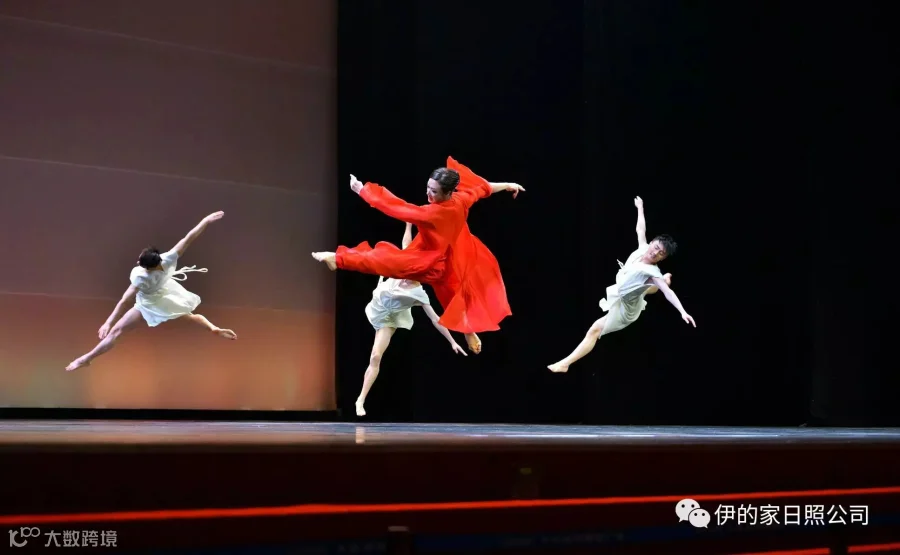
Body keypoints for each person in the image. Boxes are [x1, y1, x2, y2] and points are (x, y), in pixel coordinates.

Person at [312, 156, 524, 354]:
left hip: (433, 260)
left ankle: (337, 259)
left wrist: (363, 190)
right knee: (430, 283)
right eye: (428, 188)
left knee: (402, 269)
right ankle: (337, 259)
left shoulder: (433, 213)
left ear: (448, 193)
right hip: (444, 253)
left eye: (434, 191)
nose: (428, 194)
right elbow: (484, 188)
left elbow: (396, 208)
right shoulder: (461, 198)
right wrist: (508, 185)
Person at [65, 211, 236, 372]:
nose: (137, 262)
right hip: (166, 297)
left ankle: (86, 358)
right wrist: (205, 221)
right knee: (190, 316)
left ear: (147, 267)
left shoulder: (141, 277)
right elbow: (189, 238)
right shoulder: (167, 259)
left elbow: (124, 301)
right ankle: (213, 328)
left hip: (149, 304)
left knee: (116, 331)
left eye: (140, 262)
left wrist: (108, 322)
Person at [547, 196, 696, 373]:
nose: (655, 253)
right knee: (646, 288)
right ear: (652, 243)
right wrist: (640, 207)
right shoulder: (643, 248)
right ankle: (665, 279)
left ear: (663, 258)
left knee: (595, 329)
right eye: (656, 247)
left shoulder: (652, 272)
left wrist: (682, 311)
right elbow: (640, 229)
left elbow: (668, 293)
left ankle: (565, 364)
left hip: (627, 308)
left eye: (661, 254)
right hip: (628, 288)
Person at [355, 222, 467, 416]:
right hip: (377, 305)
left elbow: (435, 319)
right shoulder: (403, 267)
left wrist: (452, 341)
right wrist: (408, 224)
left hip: (388, 319)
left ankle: (360, 400)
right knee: (376, 258)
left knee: (375, 356)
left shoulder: (418, 294)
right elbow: (406, 244)